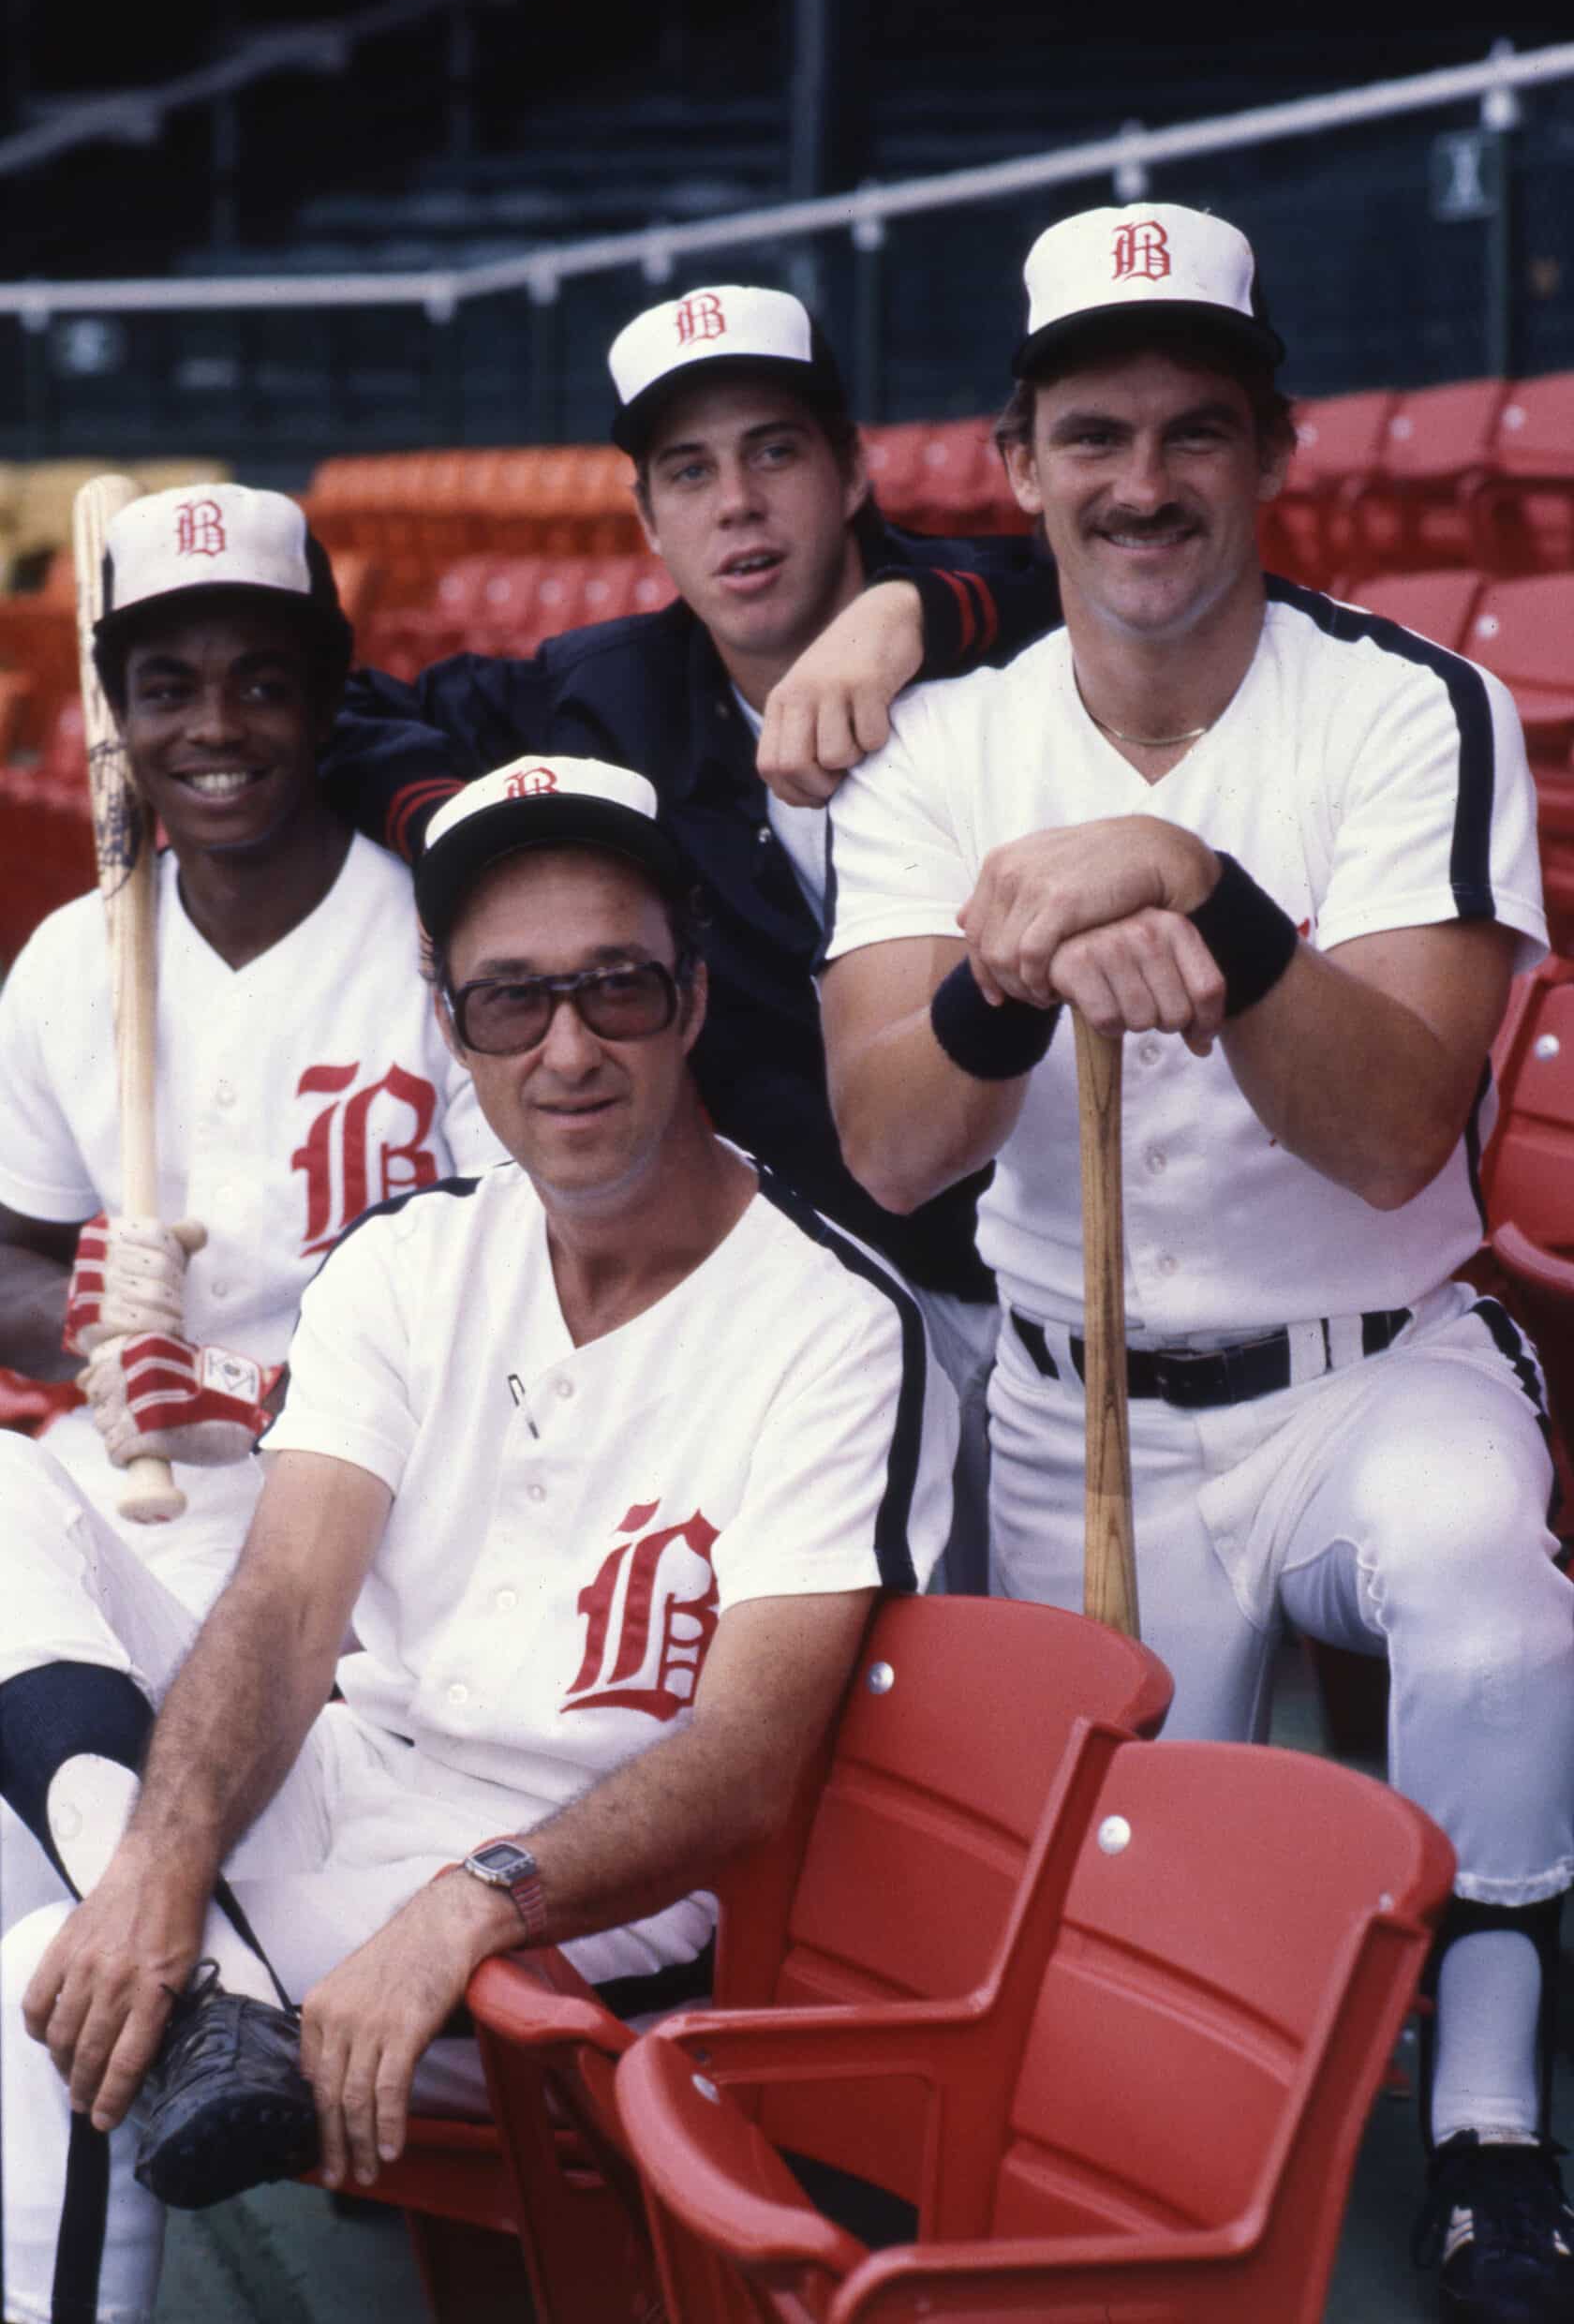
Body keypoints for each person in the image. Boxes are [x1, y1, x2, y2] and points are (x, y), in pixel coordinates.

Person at [814, 200, 1574, 2323]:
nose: (1142, 481)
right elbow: (891, 1141)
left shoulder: (1412, 708)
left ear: (1275, 447)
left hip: (1365, 1365)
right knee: (1130, 1994)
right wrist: (1011, 972)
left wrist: (1204, 900)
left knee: (1488, 1583)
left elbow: (1397, 1118)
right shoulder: (937, 745)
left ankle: (1495, 2127)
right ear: (1014, 456)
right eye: (1095, 432)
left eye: (1192, 430)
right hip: (1075, 1393)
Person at [0, 752, 956, 2324]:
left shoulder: (834, 1321)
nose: (568, 1049)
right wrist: (162, 1869)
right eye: (511, 1002)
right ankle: (192, 1967)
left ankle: (187, 1974)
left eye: (617, 991)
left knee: (41, 1991)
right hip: (351, 1796)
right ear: (454, 1029)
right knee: (16, 1491)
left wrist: (469, 1901)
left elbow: (753, 1756)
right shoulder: (412, 1255)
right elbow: (290, 1603)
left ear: (696, 999)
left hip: (579, 1916)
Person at [320, 283, 1062, 1588]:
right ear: (647, 518)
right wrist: (464, 823)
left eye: (774, 450)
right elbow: (343, 710)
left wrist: (920, 615)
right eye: (689, 469)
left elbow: (1127, 573)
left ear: (848, 472)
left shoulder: (998, 629)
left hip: (1067, 1271)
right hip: (828, 1300)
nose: (737, 502)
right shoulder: (613, 695)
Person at [0, 482, 503, 1633]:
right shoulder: (70, 962)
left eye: (262, 685)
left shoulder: (445, 942)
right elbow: (8, 1259)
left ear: (329, 700)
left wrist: (258, 1401)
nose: (214, 728)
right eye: (168, 689)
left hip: (393, 1506)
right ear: (118, 713)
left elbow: (529, 1296)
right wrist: (76, 1309)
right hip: (133, 1479)